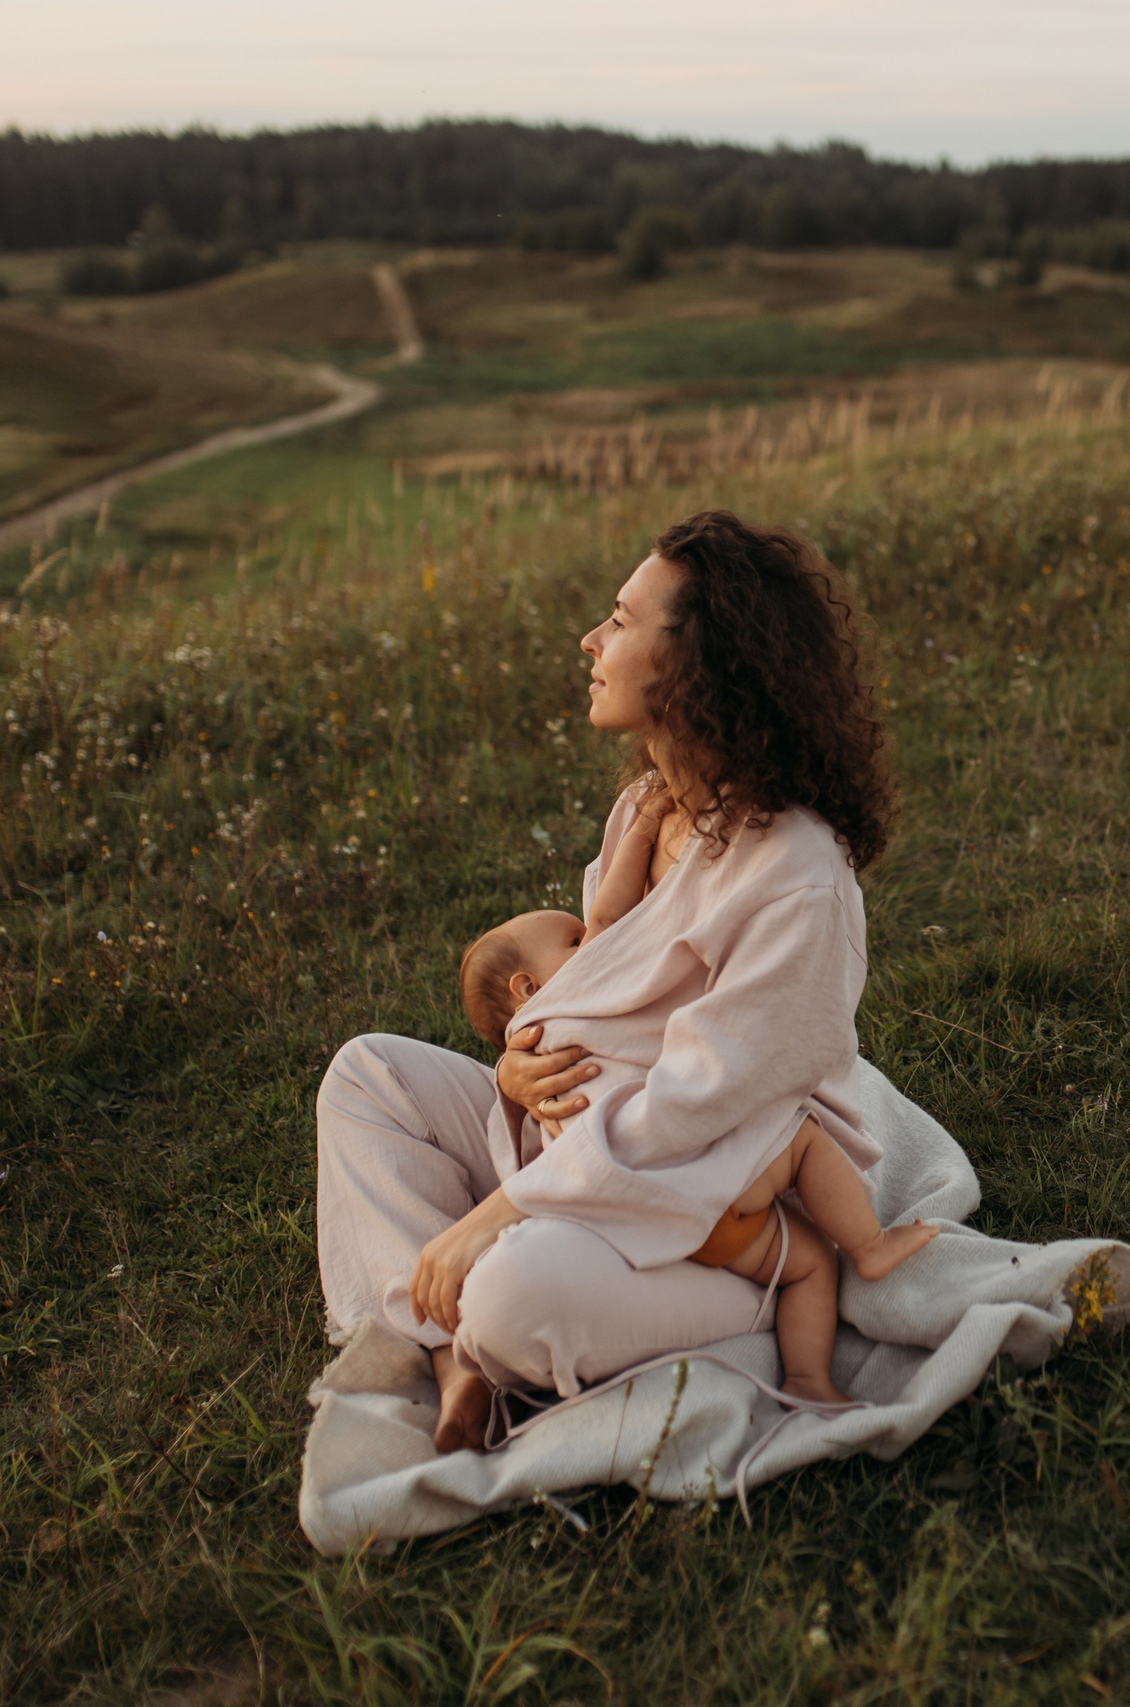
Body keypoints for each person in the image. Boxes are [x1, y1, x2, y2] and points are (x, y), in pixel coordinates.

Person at [314, 510, 899, 1452]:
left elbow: (692, 1105)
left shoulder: (795, 873)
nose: (592, 639)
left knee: (511, 1295)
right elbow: (588, 989)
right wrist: (513, 1070)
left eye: (621, 622)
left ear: (700, 662)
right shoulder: (643, 808)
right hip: (573, 1147)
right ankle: (454, 1361)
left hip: (710, 1206)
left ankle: (482, 1316)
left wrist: (505, 1211)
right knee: (366, 1075)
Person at [455, 901, 936, 1402]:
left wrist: (508, 1071)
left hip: (630, 1220)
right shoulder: (597, 999)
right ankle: (867, 1252)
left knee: (808, 1260)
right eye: (576, 942)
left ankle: (806, 1384)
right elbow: (615, 922)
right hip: (699, 1179)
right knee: (805, 1145)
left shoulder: (528, 1052)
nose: (597, 938)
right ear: (529, 988)